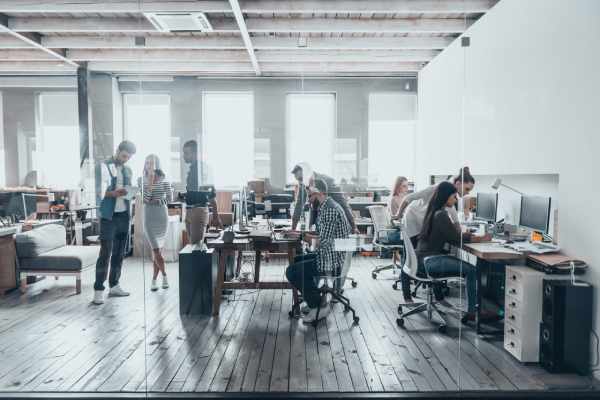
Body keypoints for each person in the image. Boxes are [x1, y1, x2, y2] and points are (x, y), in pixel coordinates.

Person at [415, 181, 491, 319]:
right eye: (454, 196)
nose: (456, 200)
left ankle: (475, 309)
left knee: (470, 268)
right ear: (446, 197)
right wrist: (481, 238)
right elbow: (456, 238)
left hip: (422, 259)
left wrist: (469, 236)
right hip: (430, 261)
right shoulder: (441, 215)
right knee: (472, 270)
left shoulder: (434, 211)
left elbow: (452, 236)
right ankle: (473, 312)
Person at [285, 178, 352, 324]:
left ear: (320, 193)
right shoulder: (326, 206)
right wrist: (300, 235)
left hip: (331, 261)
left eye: (310, 196)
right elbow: (323, 236)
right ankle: (314, 299)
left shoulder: (329, 210)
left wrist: (303, 236)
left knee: (292, 271)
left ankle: (319, 307)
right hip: (330, 255)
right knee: (297, 261)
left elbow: (323, 242)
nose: (308, 200)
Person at [92, 140, 136, 305]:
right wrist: (114, 193)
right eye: (124, 156)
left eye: (128, 157)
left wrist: (130, 192)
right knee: (106, 252)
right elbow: (98, 192)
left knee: (119, 253)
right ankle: (98, 289)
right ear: (117, 150)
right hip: (108, 217)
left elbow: (129, 191)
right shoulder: (102, 167)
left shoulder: (127, 170)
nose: (125, 159)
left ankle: (114, 285)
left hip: (124, 215)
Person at [290, 164, 356, 232]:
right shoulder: (303, 184)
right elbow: (299, 205)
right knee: (312, 234)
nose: (300, 182)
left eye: (301, 179)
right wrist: (293, 229)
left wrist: (354, 227)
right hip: (318, 213)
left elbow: (343, 204)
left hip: (332, 216)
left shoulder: (328, 181)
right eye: (298, 180)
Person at [182, 140, 222, 245]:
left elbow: (211, 194)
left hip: (198, 211)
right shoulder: (192, 170)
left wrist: (216, 215)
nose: (184, 156)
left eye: (186, 153)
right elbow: (195, 192)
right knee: (192, 246)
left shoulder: (202, 170)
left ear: (195, 153)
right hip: (190, 210)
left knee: (196, 247)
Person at [142, 155, 171, 291]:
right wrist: (152, 184)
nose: (150, 166)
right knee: (156, 249)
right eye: (147, 163)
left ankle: (154, 280)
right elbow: (146, 200)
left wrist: (158, 201)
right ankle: (164, 275)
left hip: (161, 216)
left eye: (152, 163)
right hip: (149, 217)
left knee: (158, 250)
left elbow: (170, 199)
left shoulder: (164, 179)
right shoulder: (141, 180)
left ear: (157, 165)